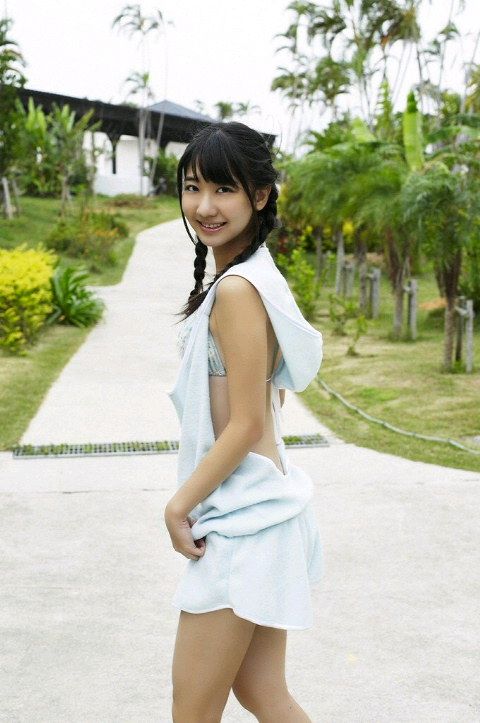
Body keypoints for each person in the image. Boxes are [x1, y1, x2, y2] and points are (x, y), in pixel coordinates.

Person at [164, 121, 324, 722]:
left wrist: (178, 506)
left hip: (243, 524)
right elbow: (271, 398)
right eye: (193, 187)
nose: (204, 206)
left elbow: (249, 423)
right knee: (263, 693)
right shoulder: (257, 277)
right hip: (264, 513)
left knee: (193, 711)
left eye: (223, 189)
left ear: (259, 195)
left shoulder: (237, 290)